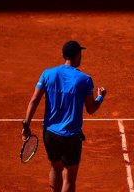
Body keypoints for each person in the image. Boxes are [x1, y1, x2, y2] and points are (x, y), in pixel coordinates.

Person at [22, 40, 107, 191]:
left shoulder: (47, 74)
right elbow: (91, 109)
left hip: (50, 134)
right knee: (70, 175)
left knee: (55, 168)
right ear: (76, 56)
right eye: (80, 54)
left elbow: (34, 100)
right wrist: (101, 96)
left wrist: (26, 125)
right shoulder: (85, 80)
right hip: (71, 137)